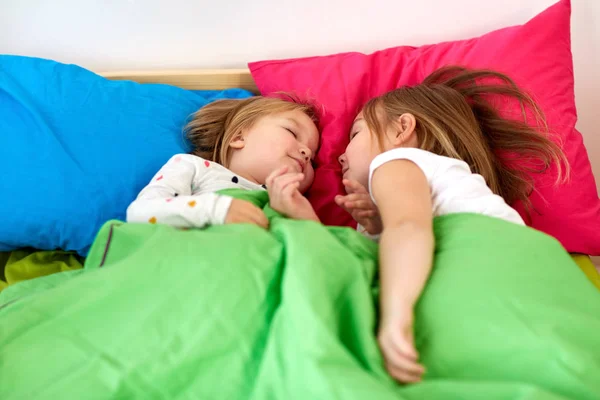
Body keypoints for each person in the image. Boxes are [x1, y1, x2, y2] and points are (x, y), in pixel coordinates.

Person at [335, 66, 568, 384]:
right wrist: (377, 227)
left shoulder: (394, 161)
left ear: (401, 129)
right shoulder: (444, 179)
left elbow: (408, 229)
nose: (339, 156)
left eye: (356, 133)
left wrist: (396, 316)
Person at [127, 96, 321, 228]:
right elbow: (140, 213)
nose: (306, 152)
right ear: (238, 137)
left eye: (313, 160)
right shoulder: (195, 168)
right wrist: (216, 210)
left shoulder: (292, 206)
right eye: (292, 132)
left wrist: (307, 220)